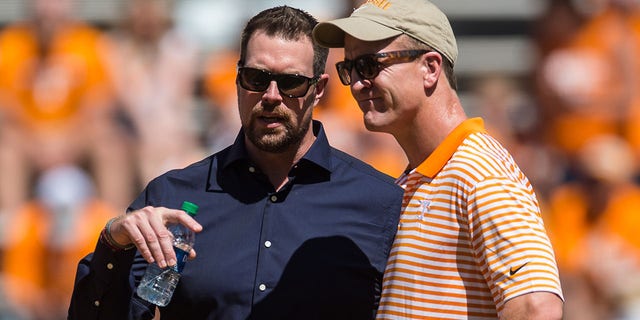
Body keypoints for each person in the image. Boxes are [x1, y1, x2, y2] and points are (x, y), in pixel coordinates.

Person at [67, 5, 403, 320]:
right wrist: (115, 242)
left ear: (318, 90)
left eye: (291, 83)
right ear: (237, 79)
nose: (271, 96)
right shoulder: (172, 196)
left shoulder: (379, 202)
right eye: (257, 79)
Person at [312, 0, 565, 319]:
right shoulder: (428, 174)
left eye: (370, 65)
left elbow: (536, 307)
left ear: (430, 68)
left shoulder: (478, 173)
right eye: (349, 69)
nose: (359, 83)